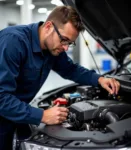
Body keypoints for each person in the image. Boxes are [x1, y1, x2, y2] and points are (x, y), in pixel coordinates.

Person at [0, 5, 120, 149]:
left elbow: (70, 69)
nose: (66, 48)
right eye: (64, 40)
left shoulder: (52, 49)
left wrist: (99, 79)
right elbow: (1, 97)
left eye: (70, 43)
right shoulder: (12, 42)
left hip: (14, 116)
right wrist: (42, 116)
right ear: (49, 26)